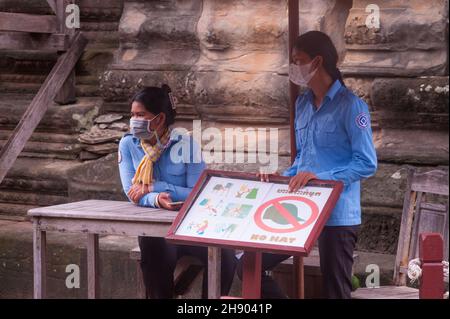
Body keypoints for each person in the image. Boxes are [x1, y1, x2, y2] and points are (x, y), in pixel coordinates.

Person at [237, 31, 378, 299]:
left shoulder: (352, 107)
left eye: (297, 60)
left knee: (334, 290)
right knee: (249, 266)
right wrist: (280, 177)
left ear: (317, 62)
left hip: (337, 214)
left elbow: (366, 163)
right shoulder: (302, 103)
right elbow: (303, 159)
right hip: (298, 209)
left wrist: (320, 178)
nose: (293, 67)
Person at [118, 85, 237, 298]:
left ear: (159, 119)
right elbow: (131, 191)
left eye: (140, 115)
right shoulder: (128, 145)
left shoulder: (186, 144)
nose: (134, 120)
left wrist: (155, 187)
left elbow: (198, 191)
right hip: (155, 229)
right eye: (132, 115)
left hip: (191, 227)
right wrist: (155, 200)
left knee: (225, 256)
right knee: (156, 251)